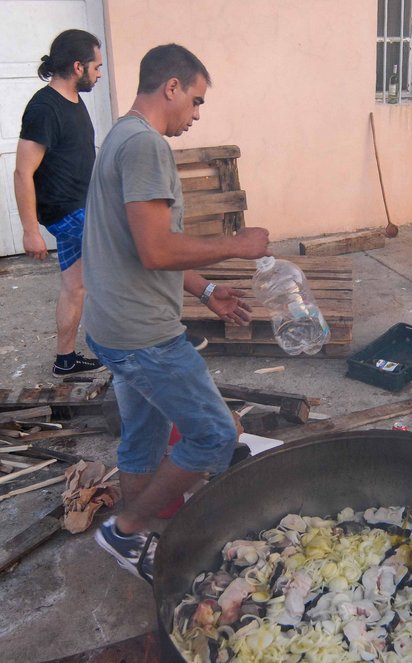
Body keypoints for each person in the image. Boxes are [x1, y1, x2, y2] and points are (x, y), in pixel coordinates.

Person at [83, 44, 270, 581]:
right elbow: (156, 250)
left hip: (114, 325)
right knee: (214, 434)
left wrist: (207, 290)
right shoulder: (145, 147)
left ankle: (133, 529)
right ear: (171, 87)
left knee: (142, 435)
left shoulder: (120, 136)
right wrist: (237, 244)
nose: (196, 113)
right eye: (196, 99)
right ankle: (124, 531)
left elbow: (136, 245)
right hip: (144, 335)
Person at [13, 29, 106, 376]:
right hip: (69, 212)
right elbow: (23, 172)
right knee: (131, 258)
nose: (99, 73)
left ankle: (65, 359)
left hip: (80, 207)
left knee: (75, 285)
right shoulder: (44, 107)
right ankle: (146, 344)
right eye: (96, 67)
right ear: (78, 66)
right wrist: (29, 231)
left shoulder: (72, 100)